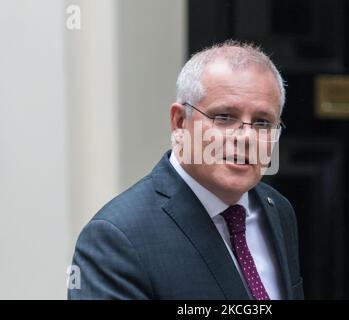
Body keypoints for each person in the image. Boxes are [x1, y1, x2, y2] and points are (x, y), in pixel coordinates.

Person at [68, 40, 304, 300]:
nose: (246, 137)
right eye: (224, 117)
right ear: (180, 122)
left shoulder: (277, 210)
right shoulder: (117, 237)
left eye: (262, 122)